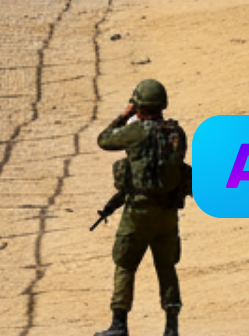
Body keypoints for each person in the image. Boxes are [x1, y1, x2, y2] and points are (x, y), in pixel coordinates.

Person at [93, 79, 189, 336]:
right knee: (166, 267)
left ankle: (119, 324)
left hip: (137, 212)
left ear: (138, 106)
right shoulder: (176, 133)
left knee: (125, 265)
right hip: (167, 213)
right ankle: (171, 327)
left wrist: (123, 116)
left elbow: (103, 140)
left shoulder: (134, 132)